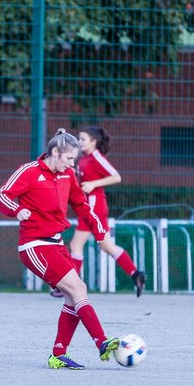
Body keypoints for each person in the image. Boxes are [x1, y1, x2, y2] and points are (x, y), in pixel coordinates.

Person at [0, 129, 121, 369]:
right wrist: (16, 209)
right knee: (76, 288)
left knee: (76, 292)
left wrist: (98, 227)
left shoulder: (68, 175)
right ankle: (102, 342)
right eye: (69, 159)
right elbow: (1, 194)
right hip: (35, 245)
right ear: (55, 152)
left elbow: (80, 204)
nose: (72, 164)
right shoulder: (30, 171)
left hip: (56, 243)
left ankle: (58, 354)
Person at [61, 126, 148, 297]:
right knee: (107, 246)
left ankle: (71, 287)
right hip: (95, 206)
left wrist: (93, 184)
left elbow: (116, 176)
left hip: (93, 206)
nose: (79, 142)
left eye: (83, 139)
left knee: (75, 245)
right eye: (78, 139)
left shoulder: (96, 157)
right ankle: (136, 275)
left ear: (94, 142)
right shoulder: (84, 158)